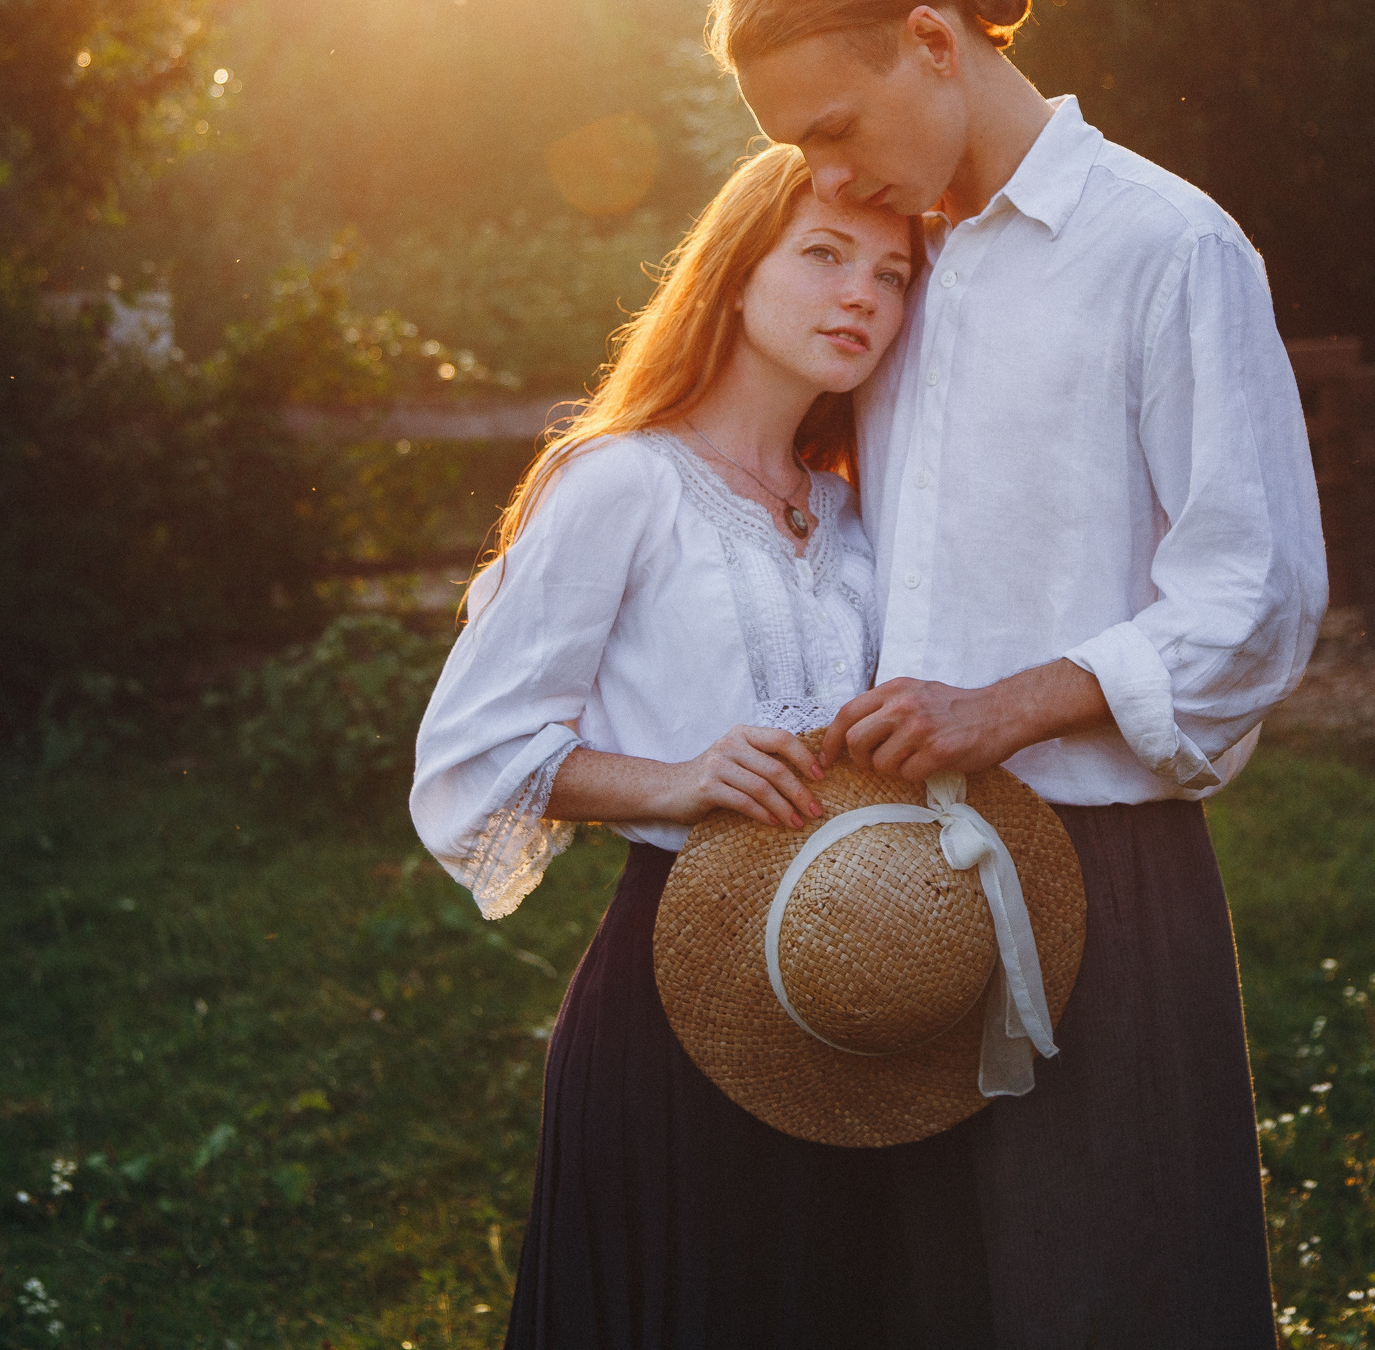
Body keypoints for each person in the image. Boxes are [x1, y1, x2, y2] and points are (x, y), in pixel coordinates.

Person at [711, 0, 1330, 1347]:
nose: (826, 177)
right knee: (930, 1297)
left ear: (934, 40)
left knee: (1106, 1285)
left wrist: (1008, 701)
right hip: (889, 875)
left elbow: (1256, 592)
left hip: (1098, 872)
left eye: (831, 130)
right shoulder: (896, 268)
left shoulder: (1166, 248)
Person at [411, 145, 985, 1348]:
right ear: (731, 274)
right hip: (681, 984)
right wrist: (675, 776)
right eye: (823, 257)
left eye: (890, 277)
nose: (861, 300)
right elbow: (474, 750)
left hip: (861, 990)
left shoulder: (857, 511)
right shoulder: (623, 481)